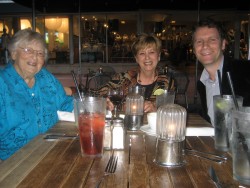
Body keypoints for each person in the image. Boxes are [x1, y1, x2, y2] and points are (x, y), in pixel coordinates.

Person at [0, 28, 74, 160]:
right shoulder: (3, 84)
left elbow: (66, 103)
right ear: (13, 54)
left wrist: (97, 106)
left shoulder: (46, 78)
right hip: (13, 163)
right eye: (28, 50)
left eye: (40, 53)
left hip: (52, 154)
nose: (34, 57)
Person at [95, 33, 173, 113]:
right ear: (136, 58)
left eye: (151, 52)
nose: (147, 57)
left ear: (159, 56)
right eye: (142, 53)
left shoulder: (167, 82)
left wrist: (156, 110)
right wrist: (105, 101)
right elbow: (97, 94)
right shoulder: (123, 77)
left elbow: (171, 111)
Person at [193, 18, 250, 125]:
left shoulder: (245, 71)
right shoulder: (202, 83)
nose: (205, 45)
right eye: (199, 41)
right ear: (194, 49)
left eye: (212, 39)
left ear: (223, 44)